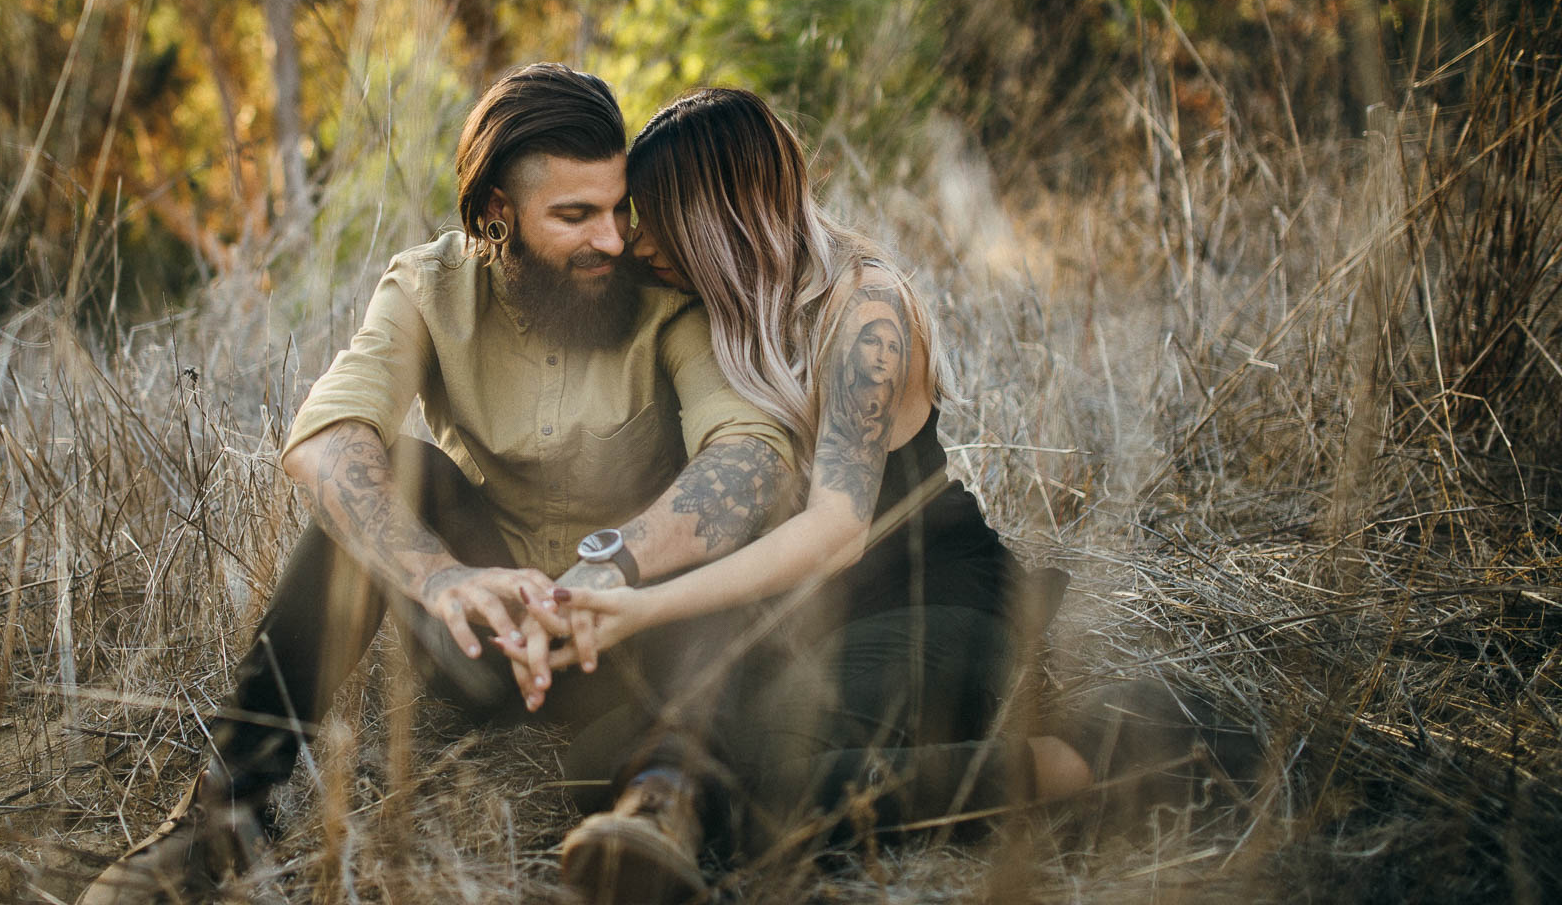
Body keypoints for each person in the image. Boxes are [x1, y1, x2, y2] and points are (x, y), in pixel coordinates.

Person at [75, 64, 799, 905]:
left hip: (636, 639)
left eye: (617, 207)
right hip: (483, 631)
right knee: (402, 470)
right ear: (498, 211)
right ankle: (218, 818)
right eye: (575, 215)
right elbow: (326, 439)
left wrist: (615, 566)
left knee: (720, 554)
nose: (612, 239)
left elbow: (752, 456)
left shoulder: (665, 298)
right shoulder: (429, 285)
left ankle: (661, 807)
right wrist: (441, 577)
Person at [548, 88, 1094, 904]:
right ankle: (670, 811)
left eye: (655, 215)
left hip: (928, 594)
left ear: (721, 211)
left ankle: (1051, 770)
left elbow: (836, 529)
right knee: (590, 766)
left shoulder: (865, 311)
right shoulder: (713, 304)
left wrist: (644, 609)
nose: (636, 239)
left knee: (773, 778)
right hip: (799, 614)